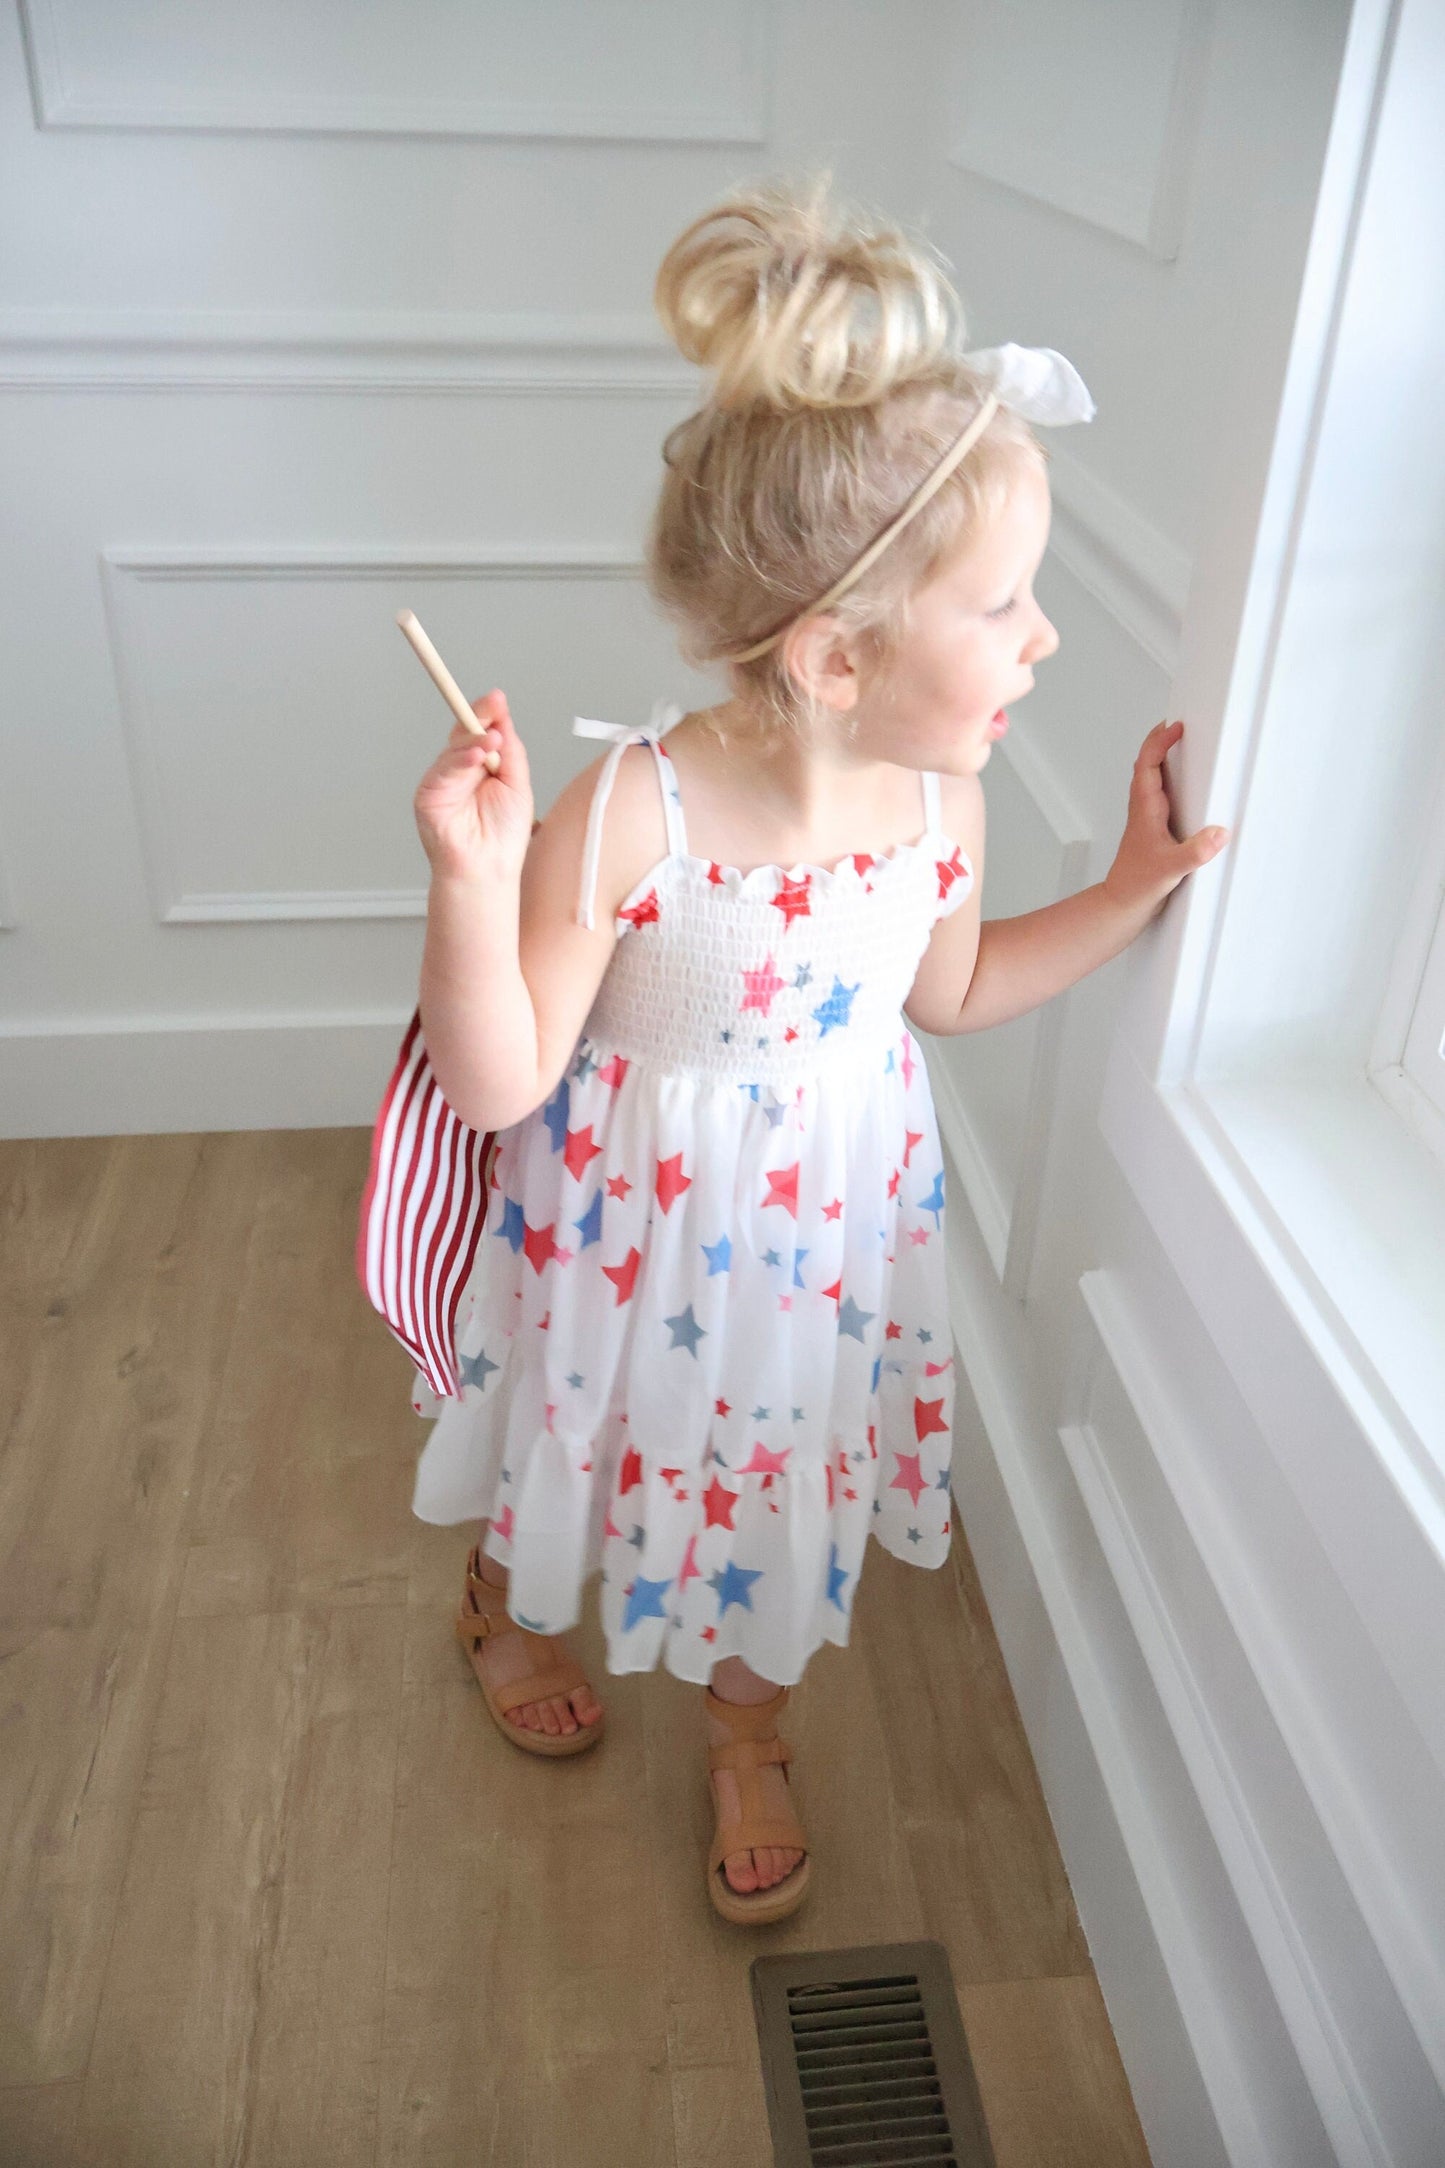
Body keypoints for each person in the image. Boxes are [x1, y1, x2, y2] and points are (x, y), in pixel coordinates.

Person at [404, 175, 1230, 1925]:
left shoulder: (944, 794)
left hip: (819, 1243)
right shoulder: (632, 812)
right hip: (625, 1232)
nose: (1043, 635)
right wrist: (473, 888)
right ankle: (511, 1596)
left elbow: (946, 995)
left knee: (779, 1467)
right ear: (836, 654)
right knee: (592, 1420)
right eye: (1005, 603)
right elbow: (497, 1081)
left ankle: (749, 1723)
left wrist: (1130, 892)